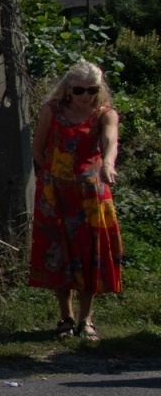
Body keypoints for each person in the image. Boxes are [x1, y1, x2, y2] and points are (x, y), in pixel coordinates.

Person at [29, 60, 122, 340]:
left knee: (89, 253)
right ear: (68, 89)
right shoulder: (52, 110)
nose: (86, 96)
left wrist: (108, 164)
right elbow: (38, 148)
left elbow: (111, 141)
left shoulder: (105, 114)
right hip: (55, 192)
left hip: (91, 193)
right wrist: (52, 176)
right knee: (59, 252)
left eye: (92, 90)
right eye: (80, 90)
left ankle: (86, 318)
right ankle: (65, 317)